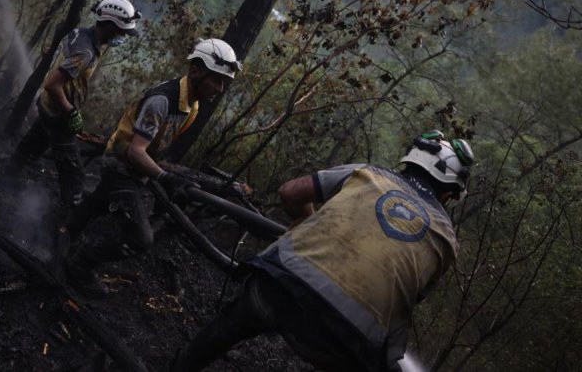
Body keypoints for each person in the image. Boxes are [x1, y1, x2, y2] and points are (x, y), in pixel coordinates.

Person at [171, 130, 476, 371]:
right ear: (449, 193)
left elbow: (290, 192)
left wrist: (306, 223)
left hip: (280, 284)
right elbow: (412, 296)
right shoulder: (447, 241)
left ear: (412, 160)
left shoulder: (367, 173)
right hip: (346, 337)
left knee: (232, 323)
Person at [63, 38, 243, 294]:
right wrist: (165, 177)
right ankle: (80, 265)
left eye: (223, 82)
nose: (219, 88)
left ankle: (67, 227)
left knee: (99, 201)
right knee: (141, 239)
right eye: (216, 79)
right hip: (120, 166)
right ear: (195, 71)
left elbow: (153, 146)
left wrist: (162, 173)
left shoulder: (191, 104)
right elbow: (136, 151)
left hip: (133, 169)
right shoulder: (162, 100)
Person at [6, 0, 141, 206]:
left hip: (47, 106)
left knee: (31, 147)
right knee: (74, 175)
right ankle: (65, 214)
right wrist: (71, 112)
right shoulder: (85, 52)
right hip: (59, 114)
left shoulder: (81, 34)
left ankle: (6, 180)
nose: (123, 36)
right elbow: (52, 84)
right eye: (122, 31)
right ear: (109, 26)